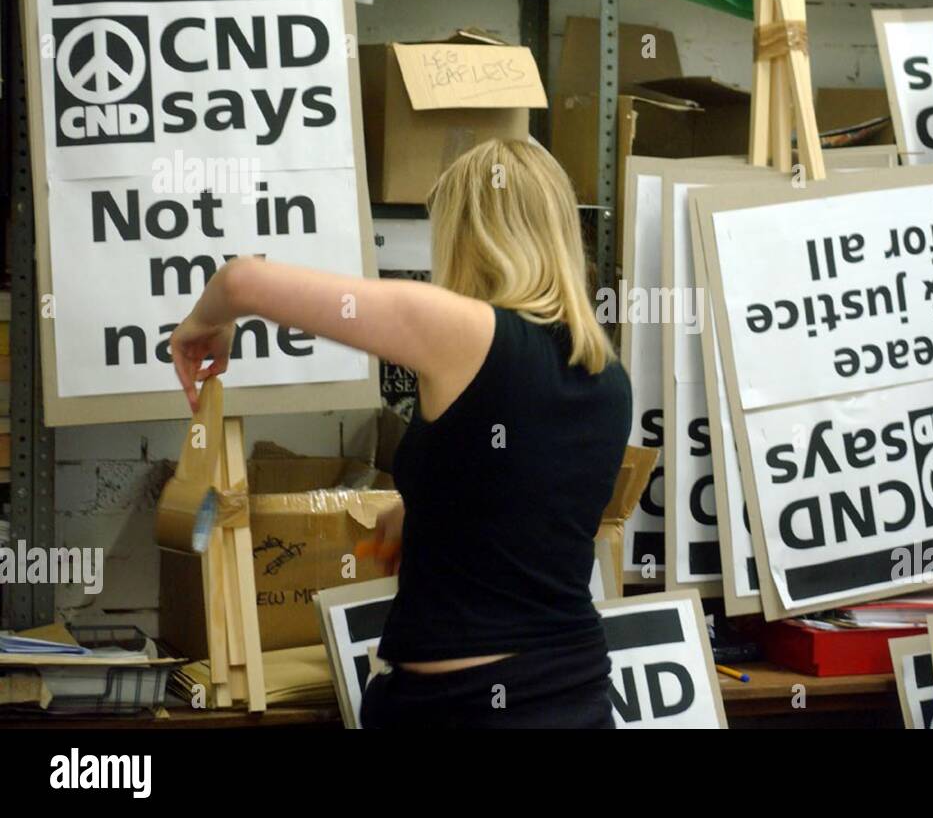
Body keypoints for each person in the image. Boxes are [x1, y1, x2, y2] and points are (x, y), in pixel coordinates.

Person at [169, 139, 631, 728]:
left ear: (468, 235)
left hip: (467, 710)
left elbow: (240, 282)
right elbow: (523, 513)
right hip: (574, 693)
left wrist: (203, 323)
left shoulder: (465, 331)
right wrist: (426, 513)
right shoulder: (608, 375)